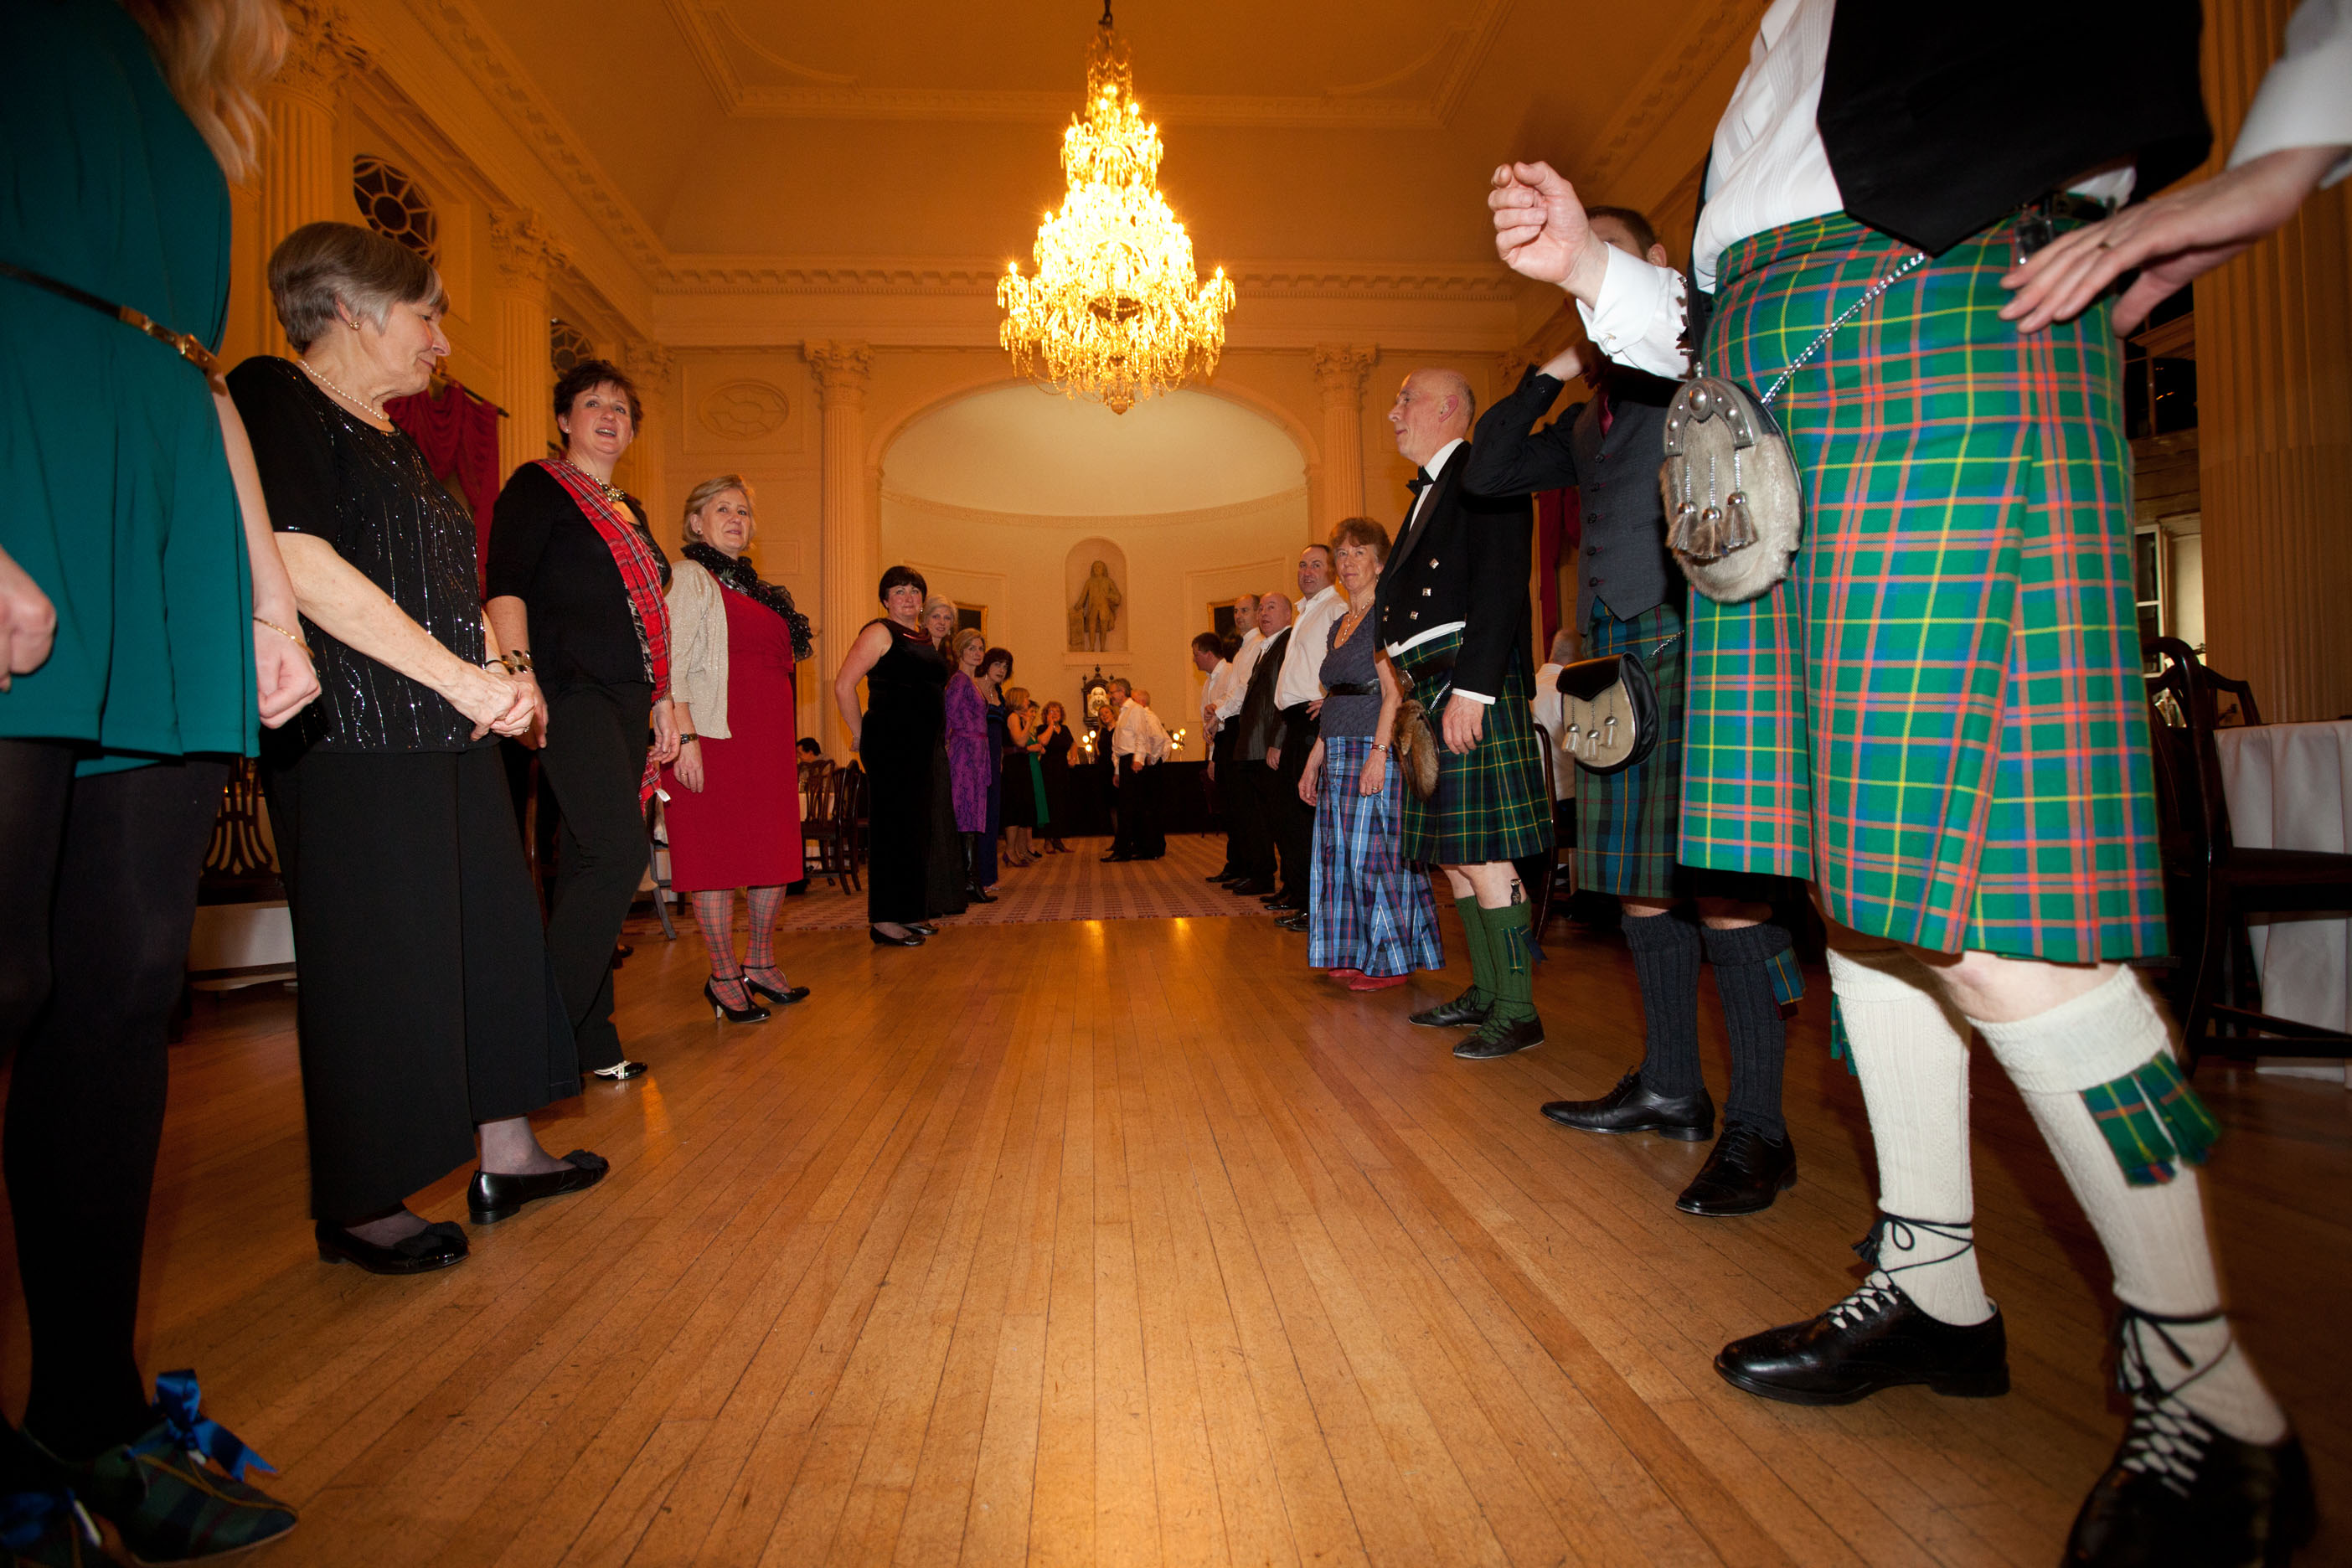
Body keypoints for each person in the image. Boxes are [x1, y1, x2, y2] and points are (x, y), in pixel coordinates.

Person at [1490, 0, 2345, 1553]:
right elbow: (1751, 261)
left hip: (1951, 328)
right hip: (1774, 376)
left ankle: (2206, 1386)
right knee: (1864, 892)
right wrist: (1591, 276)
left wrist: (2303, 125)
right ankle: (1934, 1280)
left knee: (1993, 916)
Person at [0, 3, 317, 1553]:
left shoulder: (187, 82)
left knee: (124, 991)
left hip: (167, 501)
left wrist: (262, 591)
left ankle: (86, 1409)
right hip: (20, 455)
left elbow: (196, 367)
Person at [232, 218, 610, 1275]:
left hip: (448, 729)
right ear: (350, 306)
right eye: (427, 313)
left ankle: (503, 1147)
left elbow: (451, 589)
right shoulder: (274, 394)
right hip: (352, 733)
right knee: (381, 961)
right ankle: (361, 1199)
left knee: (488, 941)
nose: (442, 341)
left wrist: (510, 679)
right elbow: (297, 562)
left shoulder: (397, 441)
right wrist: (460, 681)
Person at [1467, 209, 1808, 1218]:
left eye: (1604, 258)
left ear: (1654, 267)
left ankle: (1762, 1126)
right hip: (1614, 668)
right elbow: (1488, 468)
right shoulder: (1588, 418)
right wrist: (1554, 367)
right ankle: (1670, 1086)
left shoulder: (1702, 358)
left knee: (1730, 886)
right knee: (1641, 891)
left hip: (1706, 644)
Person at [485, 358, 678, 1083]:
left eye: (623, 410)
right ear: (565, 419)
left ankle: (593, 1041)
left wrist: (662, 701)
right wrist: (517, 672)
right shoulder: (539, 485)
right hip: (568, 689)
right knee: (613, 852)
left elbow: (648, 614)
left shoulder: (631, 509)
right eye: (594, 404)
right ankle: (531, 1041)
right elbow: (503, 581)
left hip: (630, 697)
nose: (610, 417)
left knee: (582, 862)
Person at [1375, 369, 1552, 1060]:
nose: (1393, 412)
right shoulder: (1427, 492)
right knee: (1455, 859)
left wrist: (1475, 689)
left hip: (1465, 681)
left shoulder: (1485, 472)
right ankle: (1486, 990)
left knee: (1484, 853)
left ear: (1448, 407)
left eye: (1404, 398)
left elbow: (1505, 581)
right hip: (1429, 687)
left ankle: (1518, 1008)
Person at [659, 474, 812, 1024]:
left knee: (773, 856)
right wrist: (687, 738)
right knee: (716, 860)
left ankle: (761, 963)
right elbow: (669, 663)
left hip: (765, 743)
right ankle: (724, 975)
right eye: (721, 508)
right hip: (712, 738)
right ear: (695, 522)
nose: (735, 518)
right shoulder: (688, 577)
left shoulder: (764, 593)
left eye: (743, 511)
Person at [1298, 519, 1443, 989]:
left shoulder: (1387, 614)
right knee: (1339, 857)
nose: (1347, 562)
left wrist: (1379, 754)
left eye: (1359, 553)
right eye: (1341, 554)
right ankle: (1353, 951)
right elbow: (1337, 695)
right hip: (1337, 743)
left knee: (1376, 856)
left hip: (1371, 744)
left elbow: (1393, 692)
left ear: (1381, 562)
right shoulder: (1340, 623)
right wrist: (1314, 759)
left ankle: (1391, 960)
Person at [833, 566, 954, 945]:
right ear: (885, 600)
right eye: (899, 591)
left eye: (915, 591)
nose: (908, 597)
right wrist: (859, 733)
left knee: (916, 829)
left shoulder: (920, 637)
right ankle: (884, 920)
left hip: (921, 748)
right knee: (891, 832)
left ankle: (908, 910)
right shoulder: (879, 632)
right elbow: (843, 685)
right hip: (891, 745)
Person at [1267, 547, 1346, 916]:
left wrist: (1331, 699)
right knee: (1290, 813)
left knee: (1307, 815)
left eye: (1316, 565)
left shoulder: (1335, 610)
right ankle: (1297, 890)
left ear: (1331, 570)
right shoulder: (1305, 613)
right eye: (1302, 565)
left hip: (1315, 717)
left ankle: (1312, 903)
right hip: (1295, 718)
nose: (1307, 571)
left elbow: (1346, 662)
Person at [1227, 594, 1293, 895]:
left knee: (1277, 819)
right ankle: (1262, 874)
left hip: (1266, 746)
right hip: (1252, 746)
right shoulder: (1266, 647)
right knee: (1257, 818)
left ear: (1289, 614)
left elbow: (1283, 699)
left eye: (1271, 608)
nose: (1264, 614)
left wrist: (1276, 741)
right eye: (1262, 608)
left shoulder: (1286, 642)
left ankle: (1287, 882)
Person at [1207, 594, 1271, 885]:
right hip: (1234, 726)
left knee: (1250, 806)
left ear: (1258, 613)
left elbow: (1245, 692)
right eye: (1234, 611)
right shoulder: (1243, 649)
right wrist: (1217, 712)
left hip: (1246, 728)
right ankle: (1245, 866)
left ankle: (1257, 870)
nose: (1238, 616)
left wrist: (1218, 712)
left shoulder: (1258, 645)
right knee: (1238, 805)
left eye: (1244, 610)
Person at [944, 627, 998, 903]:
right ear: (960, 651)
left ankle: (971, 880)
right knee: (965, 815)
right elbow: (947, 719)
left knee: (974, 817)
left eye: (980, 648)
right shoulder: (958, 682)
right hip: (964, 753)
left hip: (977, 753)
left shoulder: (972, 682)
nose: (978, 653)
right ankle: (967, 881)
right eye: (972, 648)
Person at [1106, 678, 1170, 860]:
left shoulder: (1135, 710)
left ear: (1122, 691)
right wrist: (1118, 772)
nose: (1111, 696)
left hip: (1133, 761)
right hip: (1125, 762)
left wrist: (1138, 760)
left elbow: (1141, 736)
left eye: (1112, 692)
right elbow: (1119, 746)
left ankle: (1128, 850)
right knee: (1128, 807)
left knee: (1132, 808)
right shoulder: (1124, 712)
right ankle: (1130, 848)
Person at [979, 647, 1016, 876]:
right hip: (976, 757)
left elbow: (999, 732)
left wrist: (1000, 757)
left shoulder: (999, 693)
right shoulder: (975, 688)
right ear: (986, 664)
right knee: (978, 817)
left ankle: (988, 873)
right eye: (997, 664)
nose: (1001, 670)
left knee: (993, 815)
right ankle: (977, 874)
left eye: (1005, 666)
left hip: (994, 758)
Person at [1001, 683, 1040, 865]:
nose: (1027, 701)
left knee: (1022, 807)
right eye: (1025, 697)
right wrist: (1029, 723)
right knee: (1014, 808)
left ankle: (1018, 849)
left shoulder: (1017, 717)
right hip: (1014, 764)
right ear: (1017, 699)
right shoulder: (1013, 717)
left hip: (1019, 764)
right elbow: (1020, 740)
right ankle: (1010, 850)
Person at [1034, 699, 1079, 853]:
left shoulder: (1065, 729)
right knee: (1049, 804)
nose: (1055, 714)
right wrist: (1051, 725)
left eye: (1057, 711)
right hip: (1047, 769)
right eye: (1051, 712)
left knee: (1061, 804)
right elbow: (1043, 741)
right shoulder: (1042, 728)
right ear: (1046, 715)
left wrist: (1073, 758)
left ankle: (1058, 839)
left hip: (1062, 770)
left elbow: (1074, 744)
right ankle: (1047, 840)